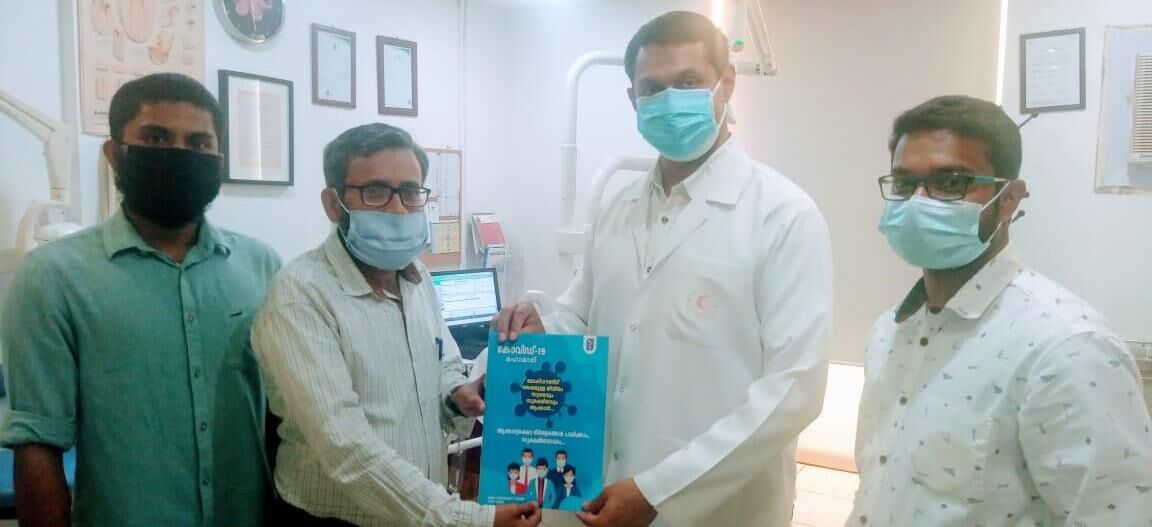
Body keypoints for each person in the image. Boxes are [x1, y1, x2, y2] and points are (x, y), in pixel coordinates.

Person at [494, 10, 832, 527]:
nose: (671, 100)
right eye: (653, 88)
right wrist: (540, 330)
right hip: (602, 495)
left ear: (726, 85)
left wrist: (659, 491)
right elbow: (583, 317)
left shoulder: (782, 215)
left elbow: (794, 389)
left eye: (690, 82)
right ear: (633, 99)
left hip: (718, 510)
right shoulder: (619, 208)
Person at [849, 95, 1152, 526]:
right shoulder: (890, 332)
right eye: (903, 183)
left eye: (950, 181)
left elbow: (1117, 516)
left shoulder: (1067, 349)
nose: (918, 201)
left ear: (1008, 200)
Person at [0, 72, 281, 526]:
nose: (179, 154)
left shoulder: (262, 266)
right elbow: (37, 442)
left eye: (198, 143)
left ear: (218, 160)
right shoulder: (53, 278)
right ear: (114, 154)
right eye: (156, 138)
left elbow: (278, 416)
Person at [251, 123, 540, 527]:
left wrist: (458, 395)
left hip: (416, 513)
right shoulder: (301, 296)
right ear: (333, 203)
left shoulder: (418, 280)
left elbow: (443, 366)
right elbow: (344, 448)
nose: (399, 209)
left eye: (409, 192)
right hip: (335, 518)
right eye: (375, 192)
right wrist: (465, 519)